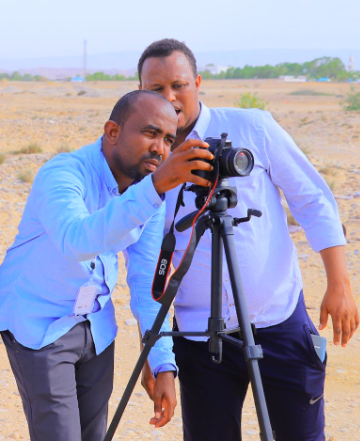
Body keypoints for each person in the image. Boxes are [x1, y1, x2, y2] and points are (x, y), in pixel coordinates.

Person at [138, 38, 359, 441]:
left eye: (178, 85)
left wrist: (339, 283)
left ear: (198, 83)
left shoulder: (252, 126)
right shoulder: (144, 158)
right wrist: (156, 351)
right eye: (155, 89)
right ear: (140, 91)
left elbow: (313, 201)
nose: (168, 98)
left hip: (277, 321)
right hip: (198, 335)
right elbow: (140, 258)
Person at [0, 90, 217, 441]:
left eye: (169, 139)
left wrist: (163, 363)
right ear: (113, 131)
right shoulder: (64, 174)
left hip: (96, 327)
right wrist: (156, 187)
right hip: (40, 323)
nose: (160, 148)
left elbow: (146, 284)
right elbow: (76, 240)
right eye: (150, 133)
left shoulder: (148, 192)